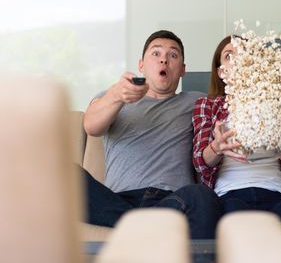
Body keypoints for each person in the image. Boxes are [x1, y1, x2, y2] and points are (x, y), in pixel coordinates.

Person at [82, 30, 222, 239]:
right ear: (141, 65)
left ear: (183, 70)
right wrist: (117, 96)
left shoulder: (197, 103)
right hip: (117, 201)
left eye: (173, 55)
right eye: (156, 54)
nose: (164, 59)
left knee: (201, 196)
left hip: (172, 201)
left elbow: (229, 110)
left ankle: (135, 225)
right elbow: (92, 126)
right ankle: (141, 223)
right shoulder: (112, 97)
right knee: (67, 174)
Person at [192, 35, 281, 239]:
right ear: (221, 72)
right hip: (230, 194)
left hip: (279, 193)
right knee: (236, 220)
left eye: (243, 53)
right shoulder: (208, 106)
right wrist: (217, 147)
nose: (238, 59)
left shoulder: (280, 101)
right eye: (228, 56)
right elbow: (200, 163)